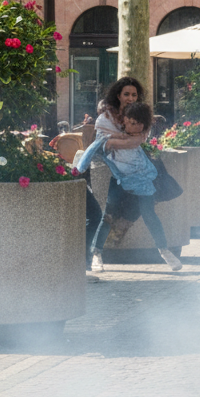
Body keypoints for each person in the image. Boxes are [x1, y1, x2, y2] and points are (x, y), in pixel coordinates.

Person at [82, 83, 184, 273]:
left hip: (141, 176)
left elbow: (136, 141)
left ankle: (165, 251)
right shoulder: (105, 118)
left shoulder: (140, 115)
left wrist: (118, 139)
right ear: (118, 95)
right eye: (126, 94)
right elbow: (105, 144)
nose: (130, 98)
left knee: (149, 213)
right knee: (108, 215)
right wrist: (121, 138)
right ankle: (96, 254)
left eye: (134, 94)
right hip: (119, 175)